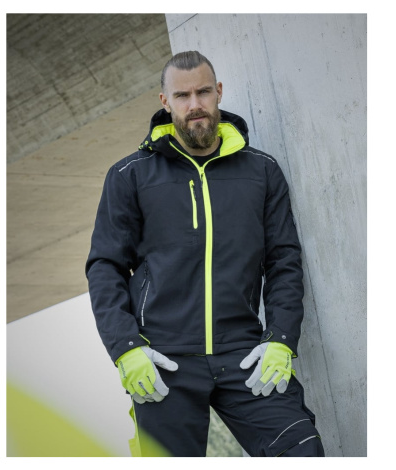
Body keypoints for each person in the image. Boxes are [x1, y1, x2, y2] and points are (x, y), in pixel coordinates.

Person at [86, 50, 325, 457]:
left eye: (203, 92)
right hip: (163, 359)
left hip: (244, 352)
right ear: (165, 102)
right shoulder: (130, 175)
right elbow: (105, 267)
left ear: (219, 92)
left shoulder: (261, 171)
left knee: (301, 449)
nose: (194, 104)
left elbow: (283, 261)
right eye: (182, 96)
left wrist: (281, 339)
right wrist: (126, 347)